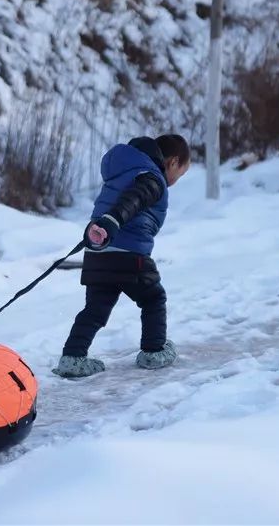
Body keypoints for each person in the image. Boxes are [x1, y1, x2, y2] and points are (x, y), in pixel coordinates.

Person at [53, 134, 191, 378]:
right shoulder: (152, 178)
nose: (175, 182)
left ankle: (72, 357)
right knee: (153, 299)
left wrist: (105, 226)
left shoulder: (120, 174)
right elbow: (134, 199)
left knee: (95, 309)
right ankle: (154, 350)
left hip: (99, 253)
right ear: (172, 162)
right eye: (180, 175)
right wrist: (113, 220)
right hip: (130, 253)